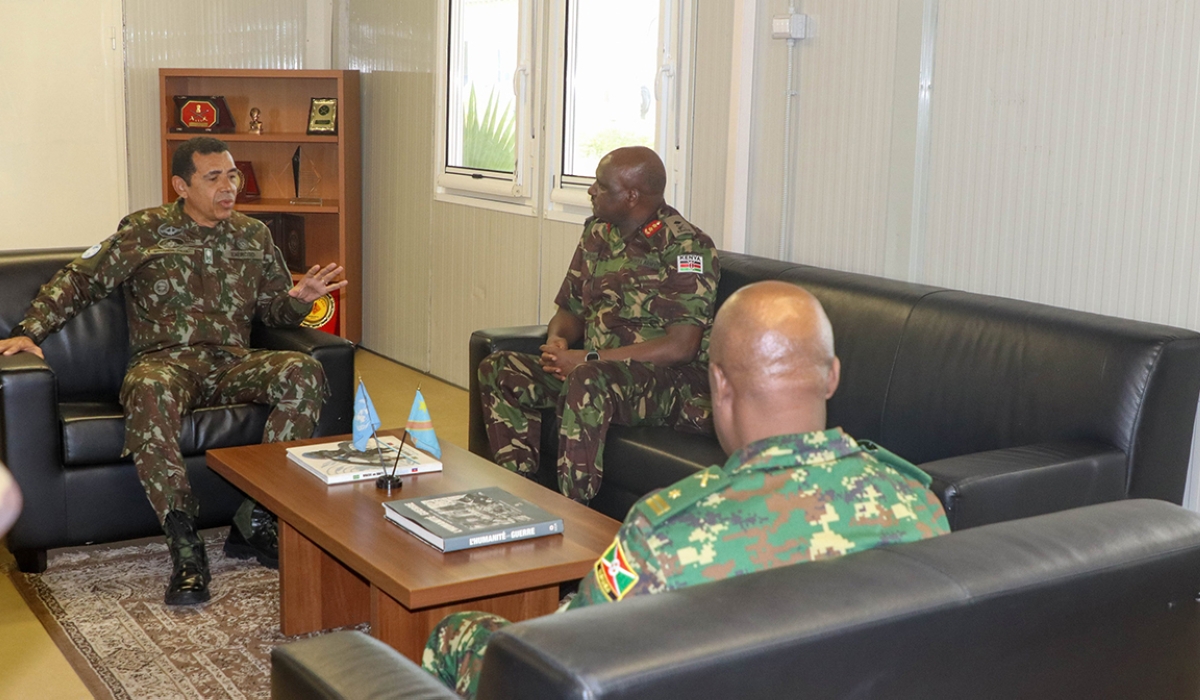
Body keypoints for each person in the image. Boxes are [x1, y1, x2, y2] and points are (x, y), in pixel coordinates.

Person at [423, 280, 951, 698]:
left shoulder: (668, 531)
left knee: (455, 632)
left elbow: (561, 658)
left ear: (718, 383)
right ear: (832, 376)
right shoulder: (919, 504)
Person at [0, 136, 348, 606]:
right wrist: (29, 332)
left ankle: (257, 518)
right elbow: (81, 281)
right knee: (146, 389)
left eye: (233, 176)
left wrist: (297, 300)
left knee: (303, 372)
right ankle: (185, 545)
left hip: (230, 362)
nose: (228, 188)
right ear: (181, 185)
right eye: (214, 178)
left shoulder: (253, 236)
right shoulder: (144, 230)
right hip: (164, 364)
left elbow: (272, 315)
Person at [479, 146, 719, 504]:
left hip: (664, 382)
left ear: (632, 196)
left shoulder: (685, 246)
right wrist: (558, 341)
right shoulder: (598, 233)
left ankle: (575, 512)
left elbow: (680, 347)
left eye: (602, 186)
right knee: (500, 368)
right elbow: (570, 309)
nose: (591, 190)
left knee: (587, 380)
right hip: (596, 373)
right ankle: (518, 494)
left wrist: (588, 359)